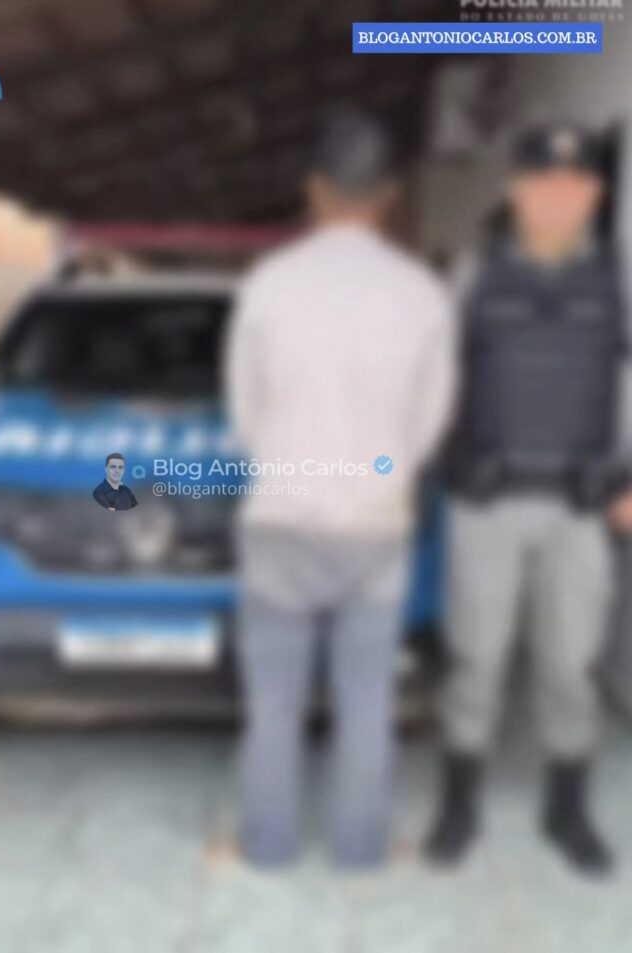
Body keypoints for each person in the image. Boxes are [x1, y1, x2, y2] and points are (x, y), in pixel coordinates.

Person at [226, 109, 456, 868]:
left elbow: (246, 411)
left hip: (283, 519)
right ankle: (360, 849)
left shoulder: (269, 286)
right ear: (388, 195)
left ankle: (267, 845)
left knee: (274, 704)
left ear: (314, 190)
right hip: (375, 524)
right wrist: (378, 471)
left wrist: (294, 466)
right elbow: (430, 420)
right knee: (366, 702)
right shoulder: (422, 293)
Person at [425, 123, 632, 876]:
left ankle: (566, 808)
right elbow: (430, 375)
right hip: (487, 502)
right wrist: (432, 461)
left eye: (574, 185)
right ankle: (459, 802)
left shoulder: (617, 281)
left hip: (580, 508)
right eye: (543, 183)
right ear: (515, 189)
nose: (558, 198)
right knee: (474, 658)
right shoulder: (474, 277)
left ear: (595, 193)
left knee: (570, 664)